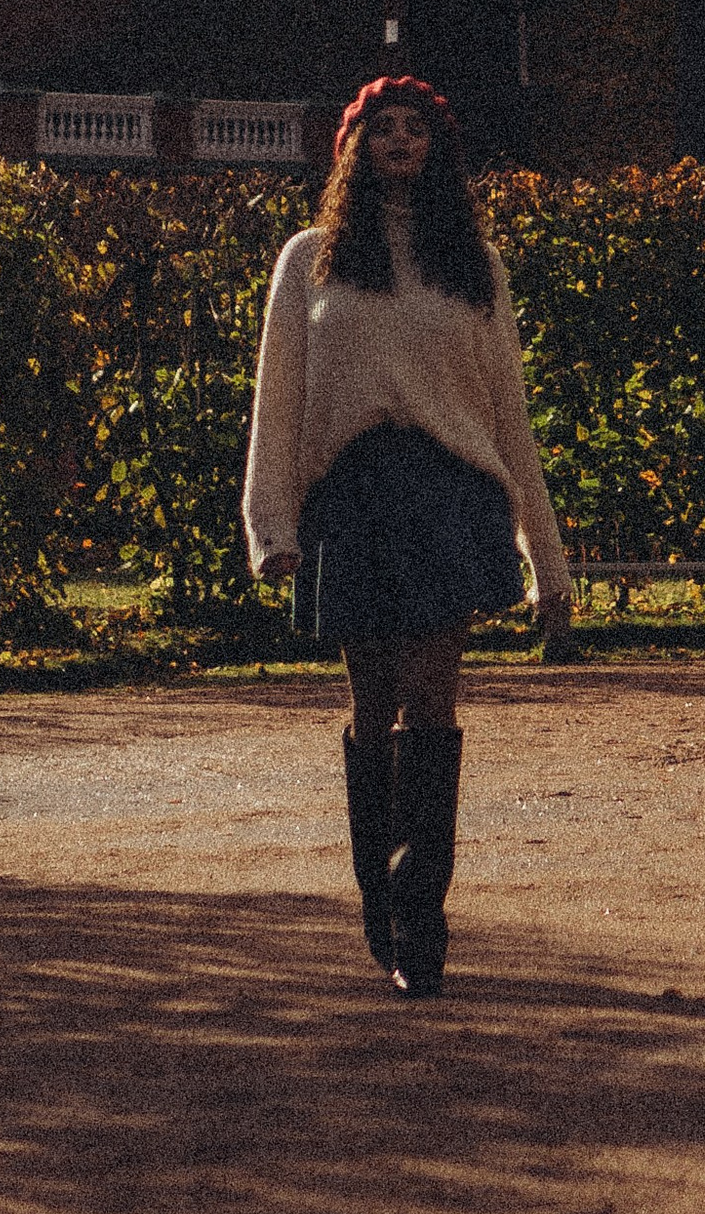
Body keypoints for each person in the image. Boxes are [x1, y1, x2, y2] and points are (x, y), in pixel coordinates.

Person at [243, 72, 572, 996]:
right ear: (353, 148)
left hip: (450, 497)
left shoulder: (475, 265)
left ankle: (422, 917)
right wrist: (269, 525)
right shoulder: (311, 259)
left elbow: (509, 416)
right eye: (382, 130)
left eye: (415, 130)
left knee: (434, 704)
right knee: (372, 706)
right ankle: (378, 906)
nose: (401, 143)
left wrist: (546, 557)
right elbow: (278, 406)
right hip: (351, 498)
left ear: (438, 149)